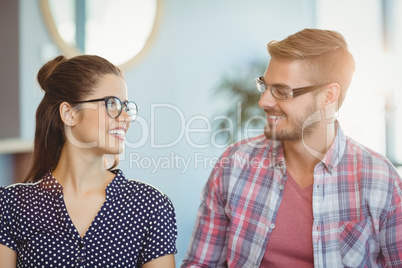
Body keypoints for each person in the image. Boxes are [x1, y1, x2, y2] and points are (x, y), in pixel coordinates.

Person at [182, 28, 402, 267]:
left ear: (328, 95)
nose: (263, 101)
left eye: (282, 91)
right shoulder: (233, 165)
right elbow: (200, 263)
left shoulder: (379, 179)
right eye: (264, 86)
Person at [0, 55, 177, 267]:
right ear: (69, 114)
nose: (126, 117)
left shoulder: (151, 205)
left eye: (126, 106)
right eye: (112, 104)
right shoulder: (11, 205)